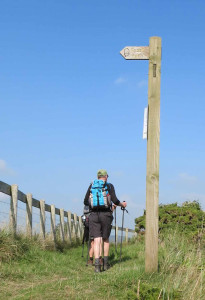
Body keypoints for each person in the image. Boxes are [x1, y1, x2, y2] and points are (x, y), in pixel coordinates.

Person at [84, 169, 127, 273]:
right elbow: (115, 200)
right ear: (106, 176)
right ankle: (106, 264)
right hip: (106, 215)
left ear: (98, 176)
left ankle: (97, 266)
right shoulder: (109, 186)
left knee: (97, 240)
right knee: (105, 239)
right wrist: (122, 204)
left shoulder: (92, 185)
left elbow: (85, 201)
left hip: (94, 214)